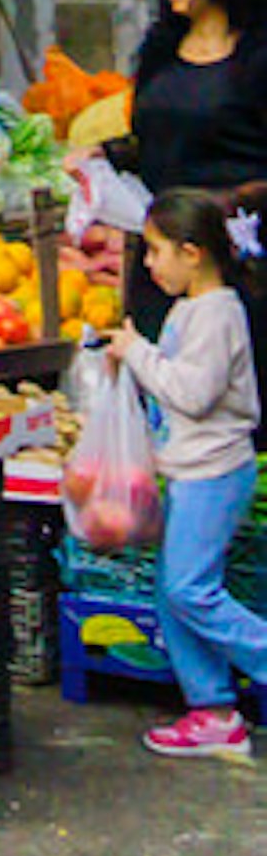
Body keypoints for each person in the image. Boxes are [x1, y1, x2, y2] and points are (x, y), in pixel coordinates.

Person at [133, 195, 267, 756]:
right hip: (190, 471)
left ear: (192, 253)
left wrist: (137, 353)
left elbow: (192, 393)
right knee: (174, 592)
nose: (147, 263)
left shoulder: (217, 314)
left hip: (215, 473)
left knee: (190, 588)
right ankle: (212, 709)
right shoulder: (191, 309)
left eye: (155, 250)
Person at [112, 0, 267, 339]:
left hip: (238, 267)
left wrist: (227, 202)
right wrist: (104, 157)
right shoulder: (161, 52)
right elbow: (149, 139)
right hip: (164, 265)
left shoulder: (256, 58)